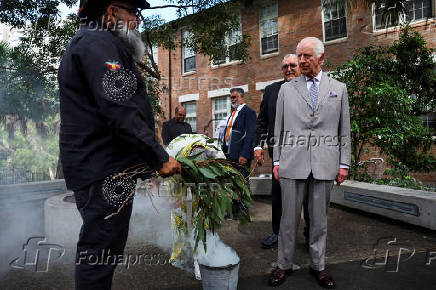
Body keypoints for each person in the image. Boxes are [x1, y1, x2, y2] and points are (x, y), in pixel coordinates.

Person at [58, 1, 181, 289]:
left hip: (103, 170)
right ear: (112, 13)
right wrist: (158, 157)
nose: (138, 22)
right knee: (98, 256)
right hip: (103, 173)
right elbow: (121, 109)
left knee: (104, 254)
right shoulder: (97, 42)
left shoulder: (96, 42)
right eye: (133, 14)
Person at [269, 37, 351, 289]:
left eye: (307, 56)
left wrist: (343, 164)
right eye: (299, 56)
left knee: (319, 222)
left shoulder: (339, 88)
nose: (301, 61)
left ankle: (319, 266)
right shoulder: (286, 89)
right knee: (288, 220)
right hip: (292, 165)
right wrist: (277, 160)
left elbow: (344, 130)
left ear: (321, 58)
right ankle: (282, 265)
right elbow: (279, 129)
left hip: (325, 165)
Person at [255, 54, 311, 250]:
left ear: (300, 67)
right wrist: (258, 146)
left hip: (308, 153)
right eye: (285, 66)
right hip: (280, 155)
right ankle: (277, 232)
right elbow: (261, 121)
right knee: (278, 194)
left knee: (308, 195)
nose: (289, 69)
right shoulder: (271, 91)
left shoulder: (311, 87)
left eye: (292, 65)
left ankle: (310, 232)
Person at [222, 88, 257, 217]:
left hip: (241, 155)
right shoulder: (233, 114)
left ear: (242, 96)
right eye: (231, 97)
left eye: (234, 97)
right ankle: (233, 210)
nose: (232, 99)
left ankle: (243, 211)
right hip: (230, 154)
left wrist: (245, 154)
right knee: (232, 183)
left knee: (242, 183)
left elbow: (250, 135)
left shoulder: (249, 112)